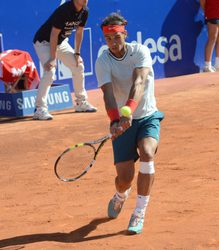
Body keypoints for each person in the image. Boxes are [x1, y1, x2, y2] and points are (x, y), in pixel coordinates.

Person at [95, 13, 164, 234]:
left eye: (117, 37)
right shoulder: (103, 60)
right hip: (121, 120)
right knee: (124, 179)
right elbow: (107, 95)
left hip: (146, 116)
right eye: (109, 39)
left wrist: (129, 112)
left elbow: (140, 81)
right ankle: (120, 195)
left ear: (125, 33)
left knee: (147, 153)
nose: (113, 44)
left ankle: (139, 211)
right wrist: (116, 119)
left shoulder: (140, 51)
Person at [33, 0, 97, 120]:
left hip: (61, 43)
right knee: (50, 71)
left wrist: (77, 53)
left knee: (78, 65)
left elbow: (79, 31)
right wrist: (53, 58)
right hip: (44, 42)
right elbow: (53, 35)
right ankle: (39, 109)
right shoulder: (64, 10)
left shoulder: (85, 11)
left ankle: (81, 103)